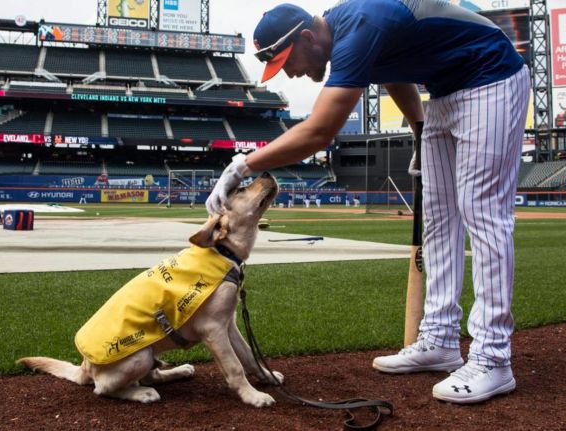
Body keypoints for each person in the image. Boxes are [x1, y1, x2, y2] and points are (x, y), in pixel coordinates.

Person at [205, 1, 530, 404]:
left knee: (483, 214)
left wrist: (242, 166)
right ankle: (441, 339)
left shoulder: (359, 28)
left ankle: (493, 358)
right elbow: (396, 74)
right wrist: (419, 130)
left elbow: (319, 132)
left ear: (308, 37)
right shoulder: (347, 37)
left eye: (288, 61)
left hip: (492, 77)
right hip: (445, 94)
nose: (290, 73)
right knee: (440, 222)